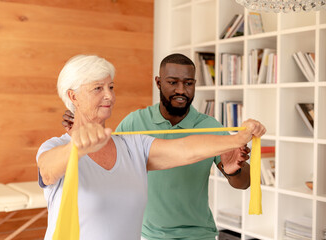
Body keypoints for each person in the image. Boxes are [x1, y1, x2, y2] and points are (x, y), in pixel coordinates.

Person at [50, 54, 265, 240]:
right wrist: (81, 121)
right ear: (158, 82)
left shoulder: (210, 126)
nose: (181, 90)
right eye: (173, 82)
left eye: (189, 83)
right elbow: (107, 152)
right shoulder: (135, 122)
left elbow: (243, 182)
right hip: (147, 234)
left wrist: (234, 170)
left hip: (198, 234)